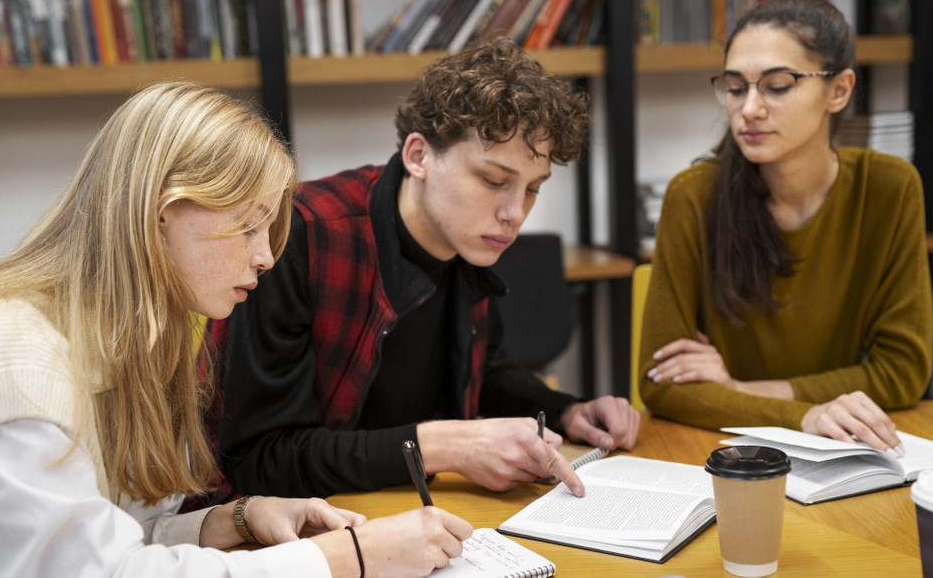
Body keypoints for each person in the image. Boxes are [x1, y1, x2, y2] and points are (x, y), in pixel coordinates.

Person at [0, 81, 472, 578]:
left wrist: (237, 519)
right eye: (246, 226)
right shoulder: (12, 350)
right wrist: (340, 560)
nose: (265, 256)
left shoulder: (149, 336)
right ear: (160, 214)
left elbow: (108, 532)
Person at [216, 39, 640, 500]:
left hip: (420, 507)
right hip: (301, 523)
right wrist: (442, 445)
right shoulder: (300, 235)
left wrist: (566, 410)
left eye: (533, 188)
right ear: (418, 156)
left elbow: (484, 370)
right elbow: (261, 461)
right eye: (493, 181)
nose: (515, 213)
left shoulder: (469, 236)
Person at [637, 0, 931, 454]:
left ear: (839, 90)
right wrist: (805, 415)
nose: (750, 109)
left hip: (850, 452)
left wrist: (739, 388)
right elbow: (661, 385)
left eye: (777, 86)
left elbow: (903, 372)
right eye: (736, 88)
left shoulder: (890, 188)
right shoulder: (692, 196)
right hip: (726, 454)